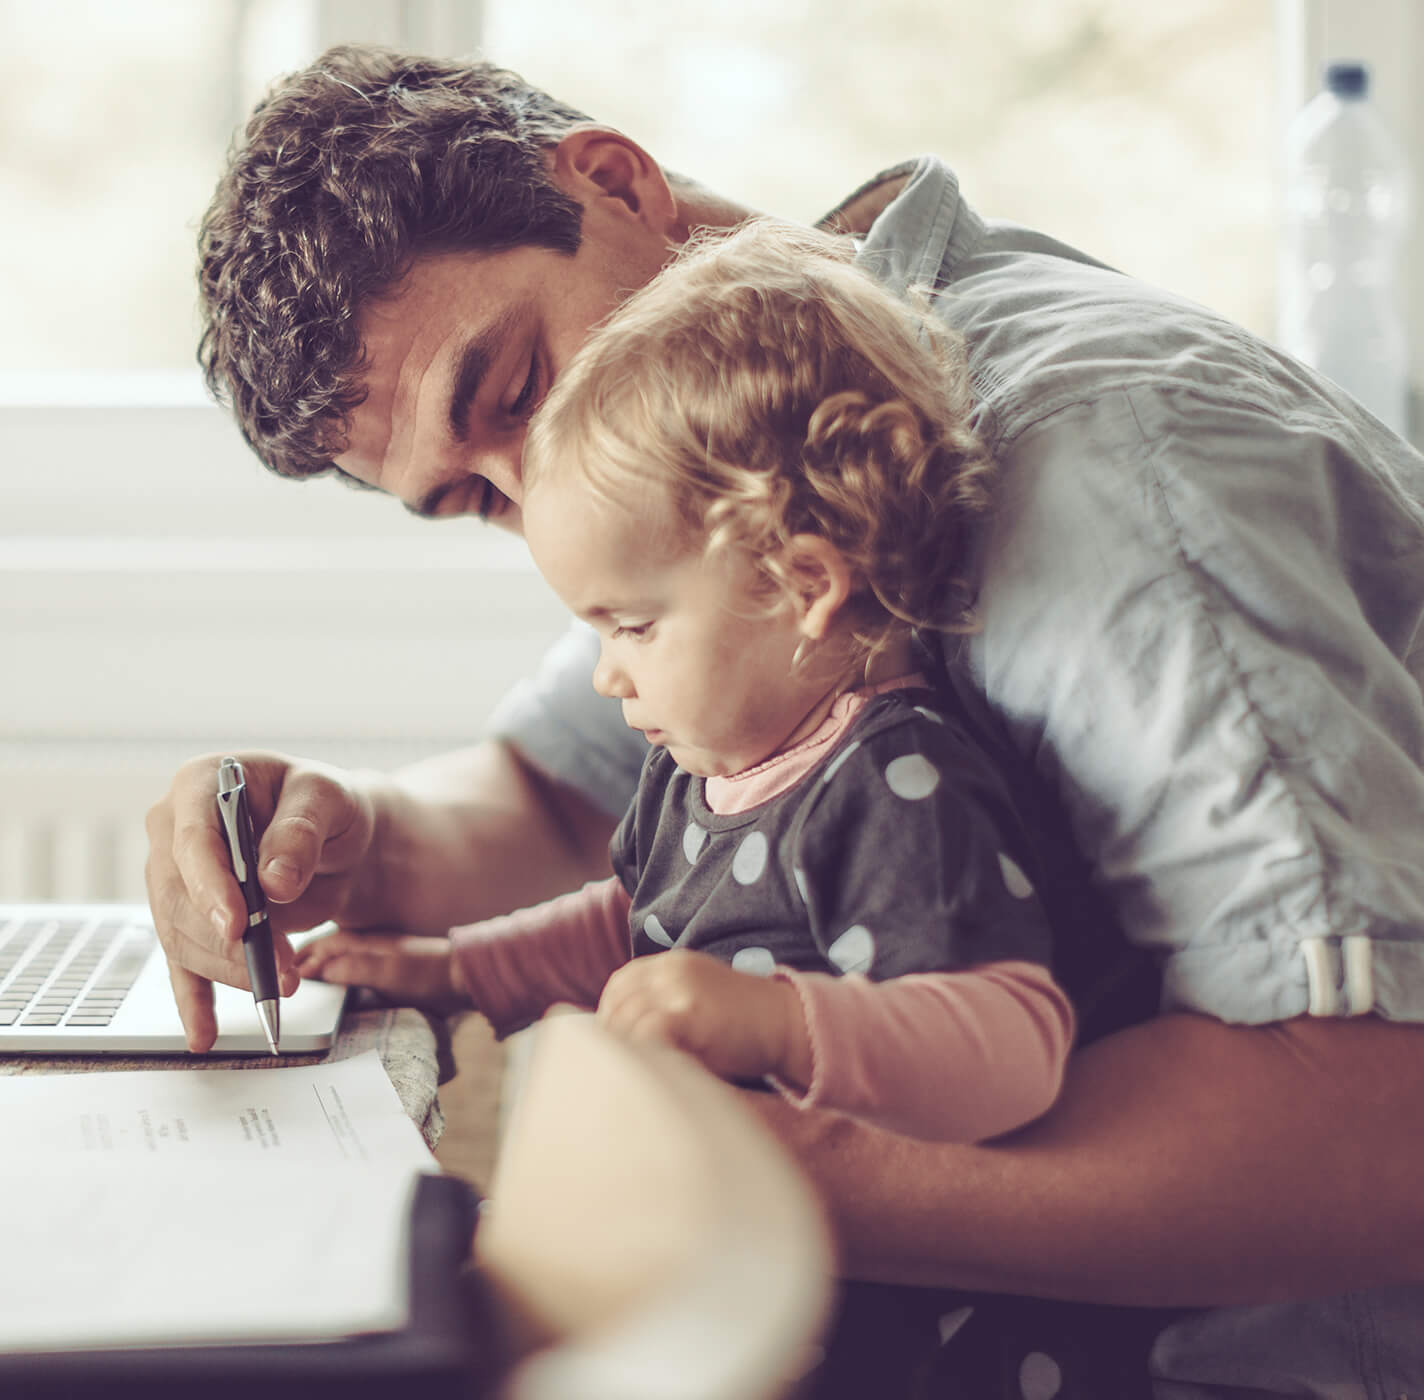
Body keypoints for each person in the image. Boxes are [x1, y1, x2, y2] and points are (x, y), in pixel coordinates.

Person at [152, 43, 1424, 1395]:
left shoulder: (1096, 464)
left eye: (516, 391)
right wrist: (341, 839)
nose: (536, 501)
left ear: (616, 182)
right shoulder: (724, 428)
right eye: (475, 502)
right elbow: (562, 801)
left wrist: (744, 1174)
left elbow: (1378, 1116)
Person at [301, 216, 1081, 1149]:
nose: (605, 674)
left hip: (880, 1281)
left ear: (803, 585)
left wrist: (773, 1022)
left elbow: (1015, 1046)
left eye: (631, 626)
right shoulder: (703, 770)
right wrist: (452, 972)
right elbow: (633, 924)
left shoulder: (896, 788)